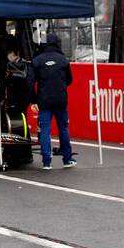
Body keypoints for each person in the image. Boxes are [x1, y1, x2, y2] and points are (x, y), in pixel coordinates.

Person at [28, 32, 73, 171]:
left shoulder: (37, 60)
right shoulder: (63, 60)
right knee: (63, 129)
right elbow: (70, 80)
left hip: (44, 101)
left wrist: (33, 100)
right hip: (60, 100)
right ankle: (67, 159)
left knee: (45, 130)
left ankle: (46, 162)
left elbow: (29, 82)